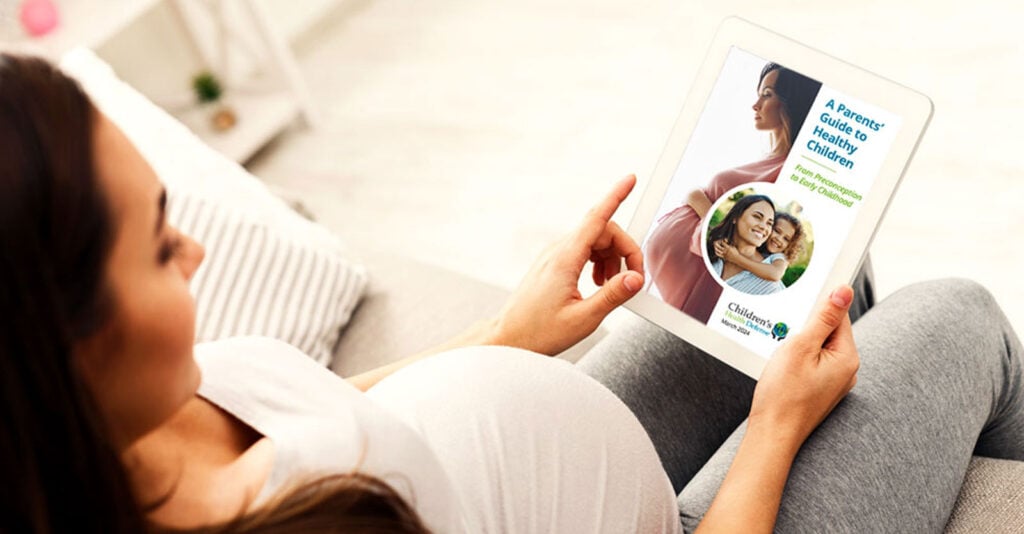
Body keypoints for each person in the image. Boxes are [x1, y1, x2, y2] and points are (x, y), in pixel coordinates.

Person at [2, 53, 1022, 534]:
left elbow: (328, 411)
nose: (194, 250)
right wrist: (774, 430)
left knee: (805, 278)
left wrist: (509, 335)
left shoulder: (129, 424)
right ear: (57, 348)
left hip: (555, 485)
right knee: (963, 316)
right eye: (151, 249)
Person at [645, 62, 820, 321]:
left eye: (767, 95)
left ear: (791, 102)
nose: (755, 104)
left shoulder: (792, 171)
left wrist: (702, 204)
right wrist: (698, 199)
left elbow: (746, 243)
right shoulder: (769, 161)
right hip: (684, 285)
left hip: (701, 294)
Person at [710, 208, 805, 294]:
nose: (779, 239)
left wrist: (736, 258)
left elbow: (775, 274)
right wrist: (720, 243)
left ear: (790, 245)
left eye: (786, 239)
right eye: (777, 231)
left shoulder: (779, 257)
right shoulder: (752, 245)